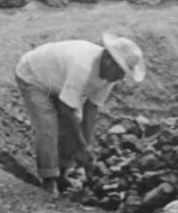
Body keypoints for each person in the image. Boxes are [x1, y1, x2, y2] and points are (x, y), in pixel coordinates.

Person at [15, 32, 146, 197]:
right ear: (107, 59)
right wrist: (82, 146)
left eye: (124, 73)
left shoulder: (110, 77)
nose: (121, 77)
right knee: (48, 126)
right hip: (34, 76)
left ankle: (62, 173)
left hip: (59, 83)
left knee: (75, 124)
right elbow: (66, 109)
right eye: (120, 70)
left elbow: (91, 108)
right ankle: (48, 180)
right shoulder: (83, 65)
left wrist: (87, 147)